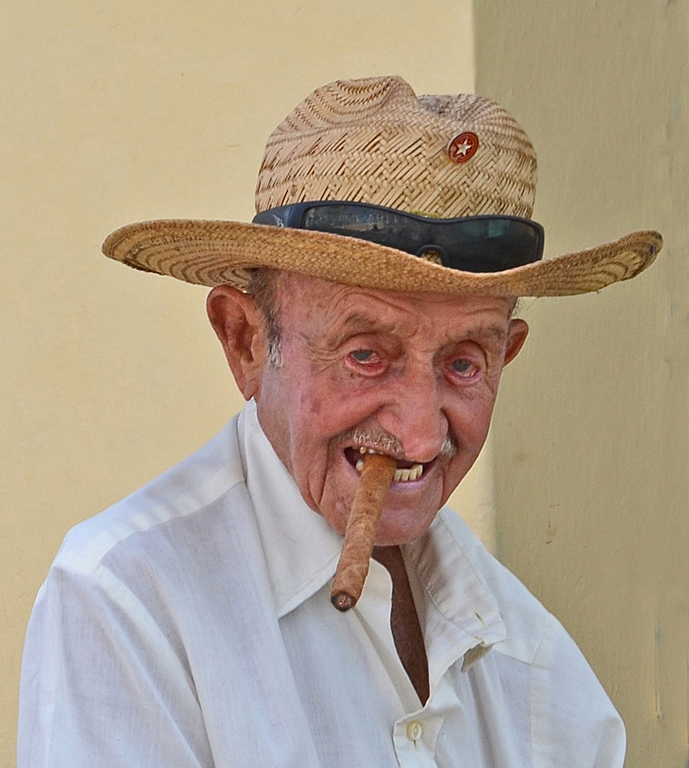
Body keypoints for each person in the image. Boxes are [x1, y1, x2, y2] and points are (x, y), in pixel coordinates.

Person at [18, 76, 661, 768]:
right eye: (365, 355)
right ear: (245, 341)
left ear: (508, 355)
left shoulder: (528, 657)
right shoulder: (128, 602)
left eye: (464, 364)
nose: (419, 434)